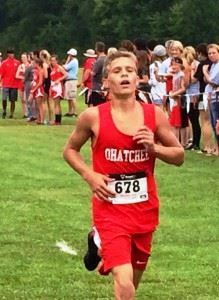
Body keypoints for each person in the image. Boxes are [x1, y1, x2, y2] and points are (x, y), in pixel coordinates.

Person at [63, 51, 184, 300]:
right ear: (106, 81)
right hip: (110, 210)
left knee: (132, 284)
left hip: (144, 210)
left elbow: (179, 155)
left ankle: (95, 239)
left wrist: (154, 148)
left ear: (138, 79)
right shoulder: (93, 117)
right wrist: (90, 176)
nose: (124, 75)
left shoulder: (154, 115)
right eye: (117, 71)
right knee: (125, 282)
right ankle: (100, 235)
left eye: (129, 70)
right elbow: (70, 150)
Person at [203, 44, 219, 156]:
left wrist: (205, 71)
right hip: (211, 96)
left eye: (214, 52)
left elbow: (213, 81)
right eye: (209, 53)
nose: (211, 55)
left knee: (217, 123)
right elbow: (207, 80)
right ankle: (216, 147)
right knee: (214, 124)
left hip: (216, 97)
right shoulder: (213, 65)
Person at [0, 48, 20, 119]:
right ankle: (4, 110)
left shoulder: (17, 62)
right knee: (4, 99)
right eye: (11, 53)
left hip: (14, 84)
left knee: (13, 100)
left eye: (13, 53)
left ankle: (11, 113)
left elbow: (19, 73)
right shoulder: (4, 63)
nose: (12, 55)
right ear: (8, 54)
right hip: (6, 84)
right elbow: (1, 73)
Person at [49, 55, 67, 125]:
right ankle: (58, 120)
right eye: (51, 60)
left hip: (58, 87)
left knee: (56, 104)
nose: (52, 62)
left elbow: (66, 74)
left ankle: (57, 121)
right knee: (57, 104)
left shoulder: (59, 67)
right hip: (54, 86)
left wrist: (59, 79)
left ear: (57, 61)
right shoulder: (53, 68)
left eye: (54, 60)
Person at [89, 42, 107, 106]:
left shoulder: (99, 60)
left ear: (96, 49)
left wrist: (91, 70)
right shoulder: (107, 58)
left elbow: (93, 73)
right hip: (104, 87)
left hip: (97, 88)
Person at [63, 48, 79, 116]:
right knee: (69, 97)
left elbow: (65, 67)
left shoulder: (73, 61)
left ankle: (74, 112)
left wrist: (67, 60)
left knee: (72, 97)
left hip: (72, 80)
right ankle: (70, 111)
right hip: (69, 80)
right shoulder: (73, 61)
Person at [29, 58, 44, 124]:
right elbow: (35, 80)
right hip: (34, 88)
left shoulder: (40, 71)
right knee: (35, 105)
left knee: (39, 105)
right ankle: (38, 119)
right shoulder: (35, 71)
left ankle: (42, 120)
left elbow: (40, 82)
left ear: (37, 63)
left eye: (34, 63)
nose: (33, 64)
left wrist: (34, 89)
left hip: (38, 89)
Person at [15, 52, 29, 118]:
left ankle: (29, 112)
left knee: (27, 99)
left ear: (27, 58)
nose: (23, 58)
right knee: (22, 100)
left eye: (24, 57)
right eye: (22, 57)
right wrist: (22, 77)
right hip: (21, 84)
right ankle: (25, 113)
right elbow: (16, 75)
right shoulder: (20, 66)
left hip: (27, 84)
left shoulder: (29, 65)